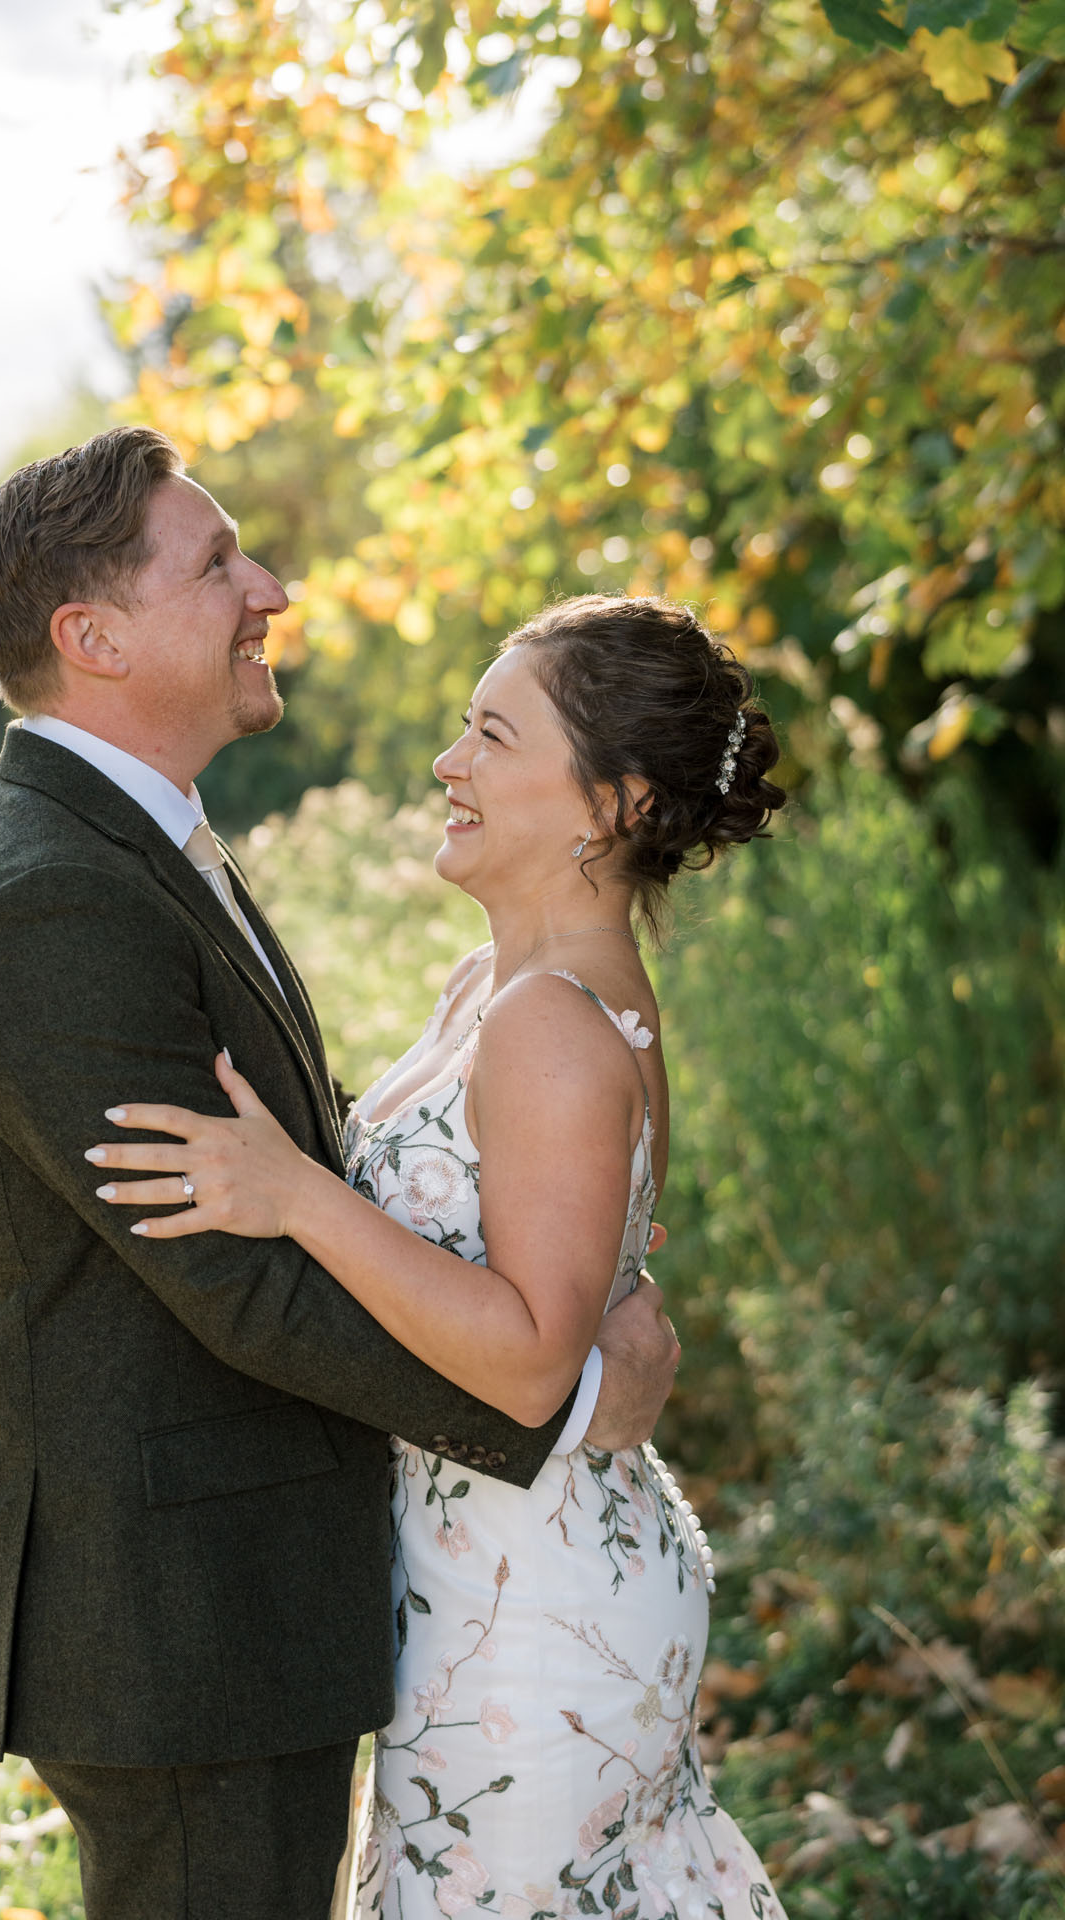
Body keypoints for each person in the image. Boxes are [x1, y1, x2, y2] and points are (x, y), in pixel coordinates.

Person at [0, 427, 679, 1920]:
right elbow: (243, 1282)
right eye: (217, 564)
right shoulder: (46, 904)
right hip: (180, 1617)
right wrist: (570, 1396)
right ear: (96, 638)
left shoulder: (143, 845)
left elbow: (309, 1170)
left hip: (256, 1590)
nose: (273, 585)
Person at [87, 591, 790, 1919]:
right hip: (488, 1570)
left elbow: (532, 1363)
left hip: (534, 1612)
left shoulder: (548, 1023)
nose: (447, 765)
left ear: (613, 804)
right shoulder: (497, 989)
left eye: (491, 736)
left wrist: (297, 1197)